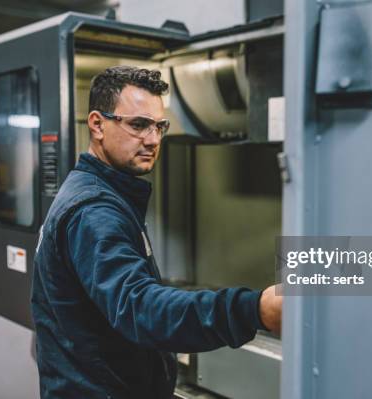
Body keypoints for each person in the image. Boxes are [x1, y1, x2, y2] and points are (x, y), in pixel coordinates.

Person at [31, 65, 282, 399]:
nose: (152, 140)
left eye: (159, 126)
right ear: (97, 124)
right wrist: (254, 309)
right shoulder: (93, 211)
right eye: (138, 125)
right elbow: (139, 307)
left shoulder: (102, 193)